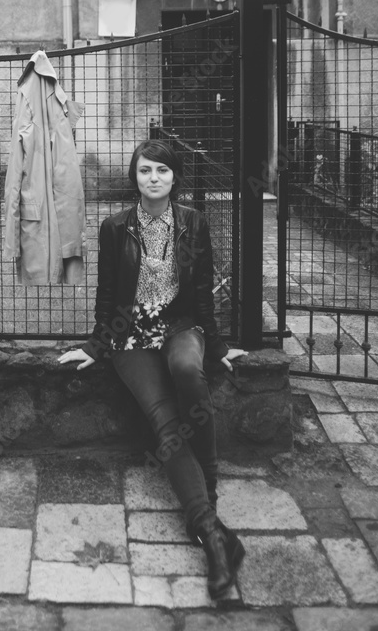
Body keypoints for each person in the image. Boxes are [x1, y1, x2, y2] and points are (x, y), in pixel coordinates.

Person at [58, 138, 247, 599]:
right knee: (166, 425)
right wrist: (98, 345)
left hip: (181, 325)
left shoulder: (193, 223)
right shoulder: (114, 227)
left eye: (162, 170)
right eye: (145, 170)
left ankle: (210, 495)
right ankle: (213, 534)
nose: (153, 178)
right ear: (135, 176)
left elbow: (202, 291)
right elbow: (107, 295)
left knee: (188, 370)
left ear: (175, 177)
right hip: (129, 336)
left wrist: (217, 345)